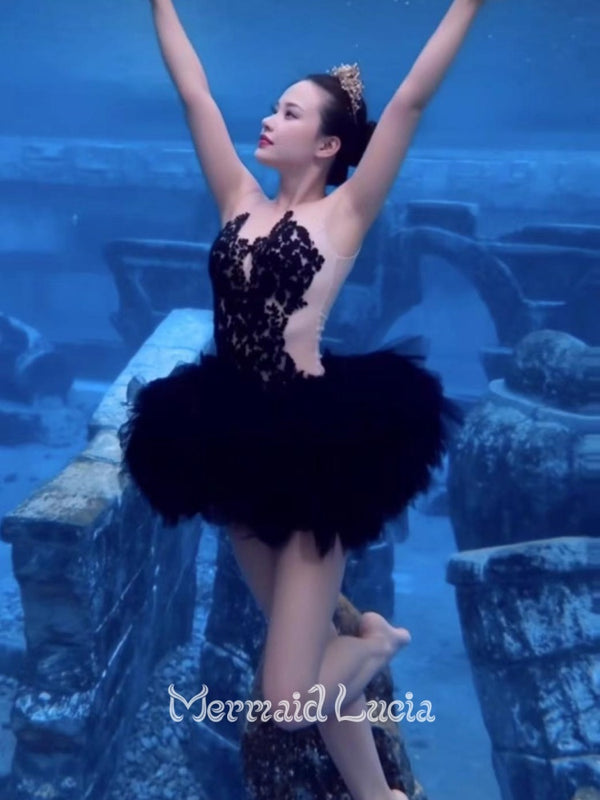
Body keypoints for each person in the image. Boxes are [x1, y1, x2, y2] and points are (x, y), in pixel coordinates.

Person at [119, 1, 489, 798]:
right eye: (272, 107)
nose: (268, 118)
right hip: (230, 441)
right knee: (312, 652)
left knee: (288, 701)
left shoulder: (345, 212)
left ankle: (377, 643)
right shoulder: (237, 198)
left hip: (318, 450)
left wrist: (466, 5)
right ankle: (378, 794)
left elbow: (410, 101)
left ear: (326, 144)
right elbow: (194, 94)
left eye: (289, 112)